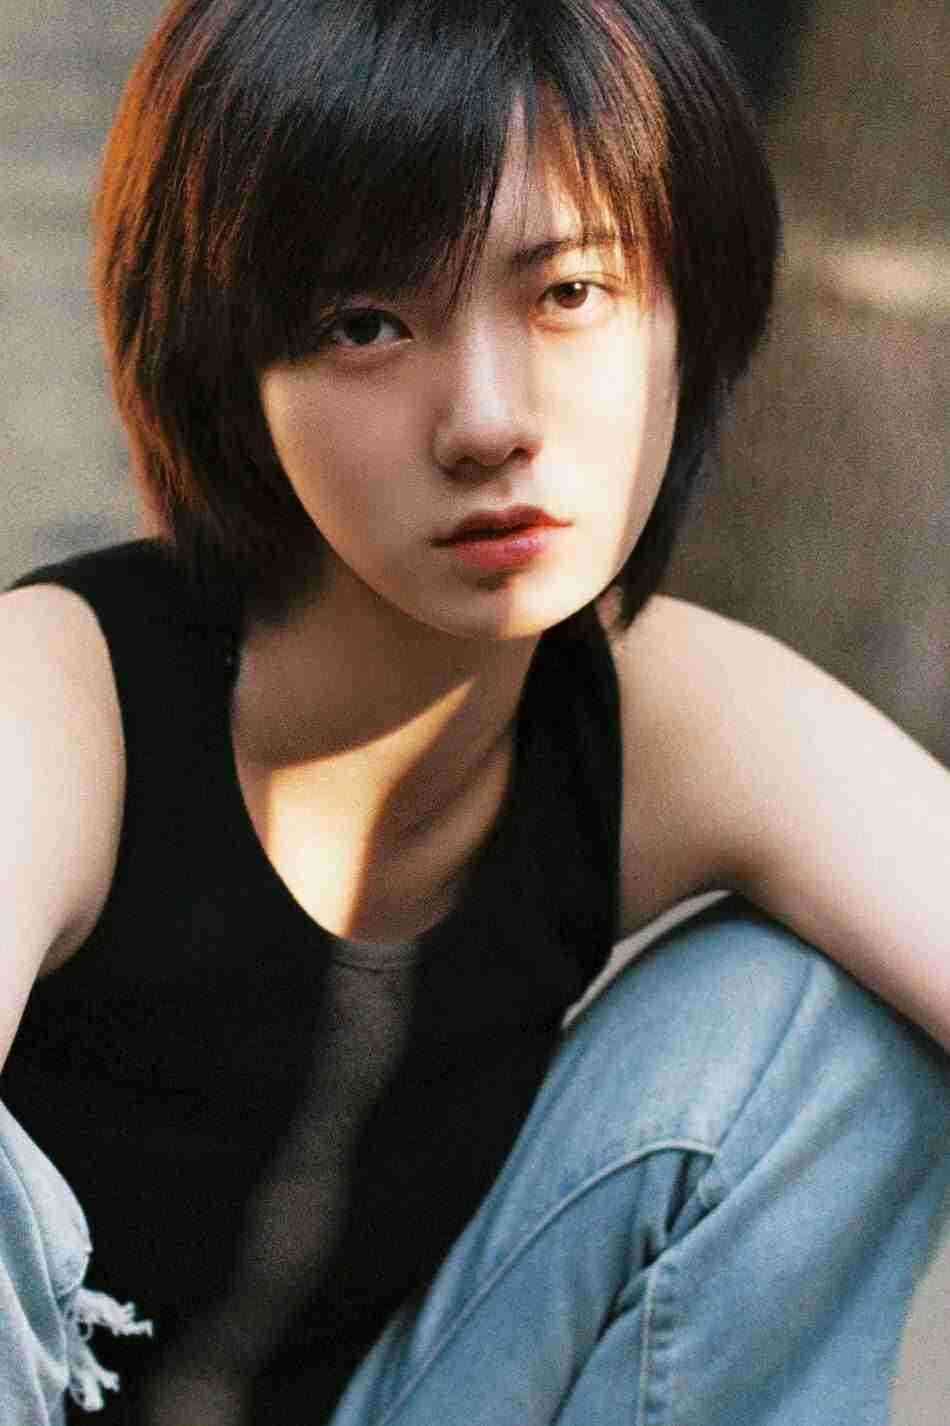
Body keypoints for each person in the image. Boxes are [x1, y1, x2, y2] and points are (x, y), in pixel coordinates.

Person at [1, 0, 948, 1422]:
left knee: (808, 1029)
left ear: (685, 306)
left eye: (567, 293)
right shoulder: (63, 700)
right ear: (227, 371)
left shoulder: (667, 713)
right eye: (366, 323)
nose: (489, 419)